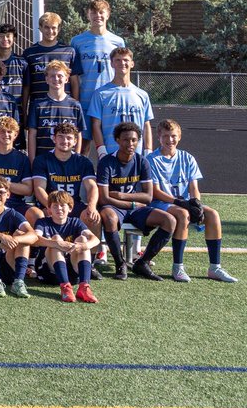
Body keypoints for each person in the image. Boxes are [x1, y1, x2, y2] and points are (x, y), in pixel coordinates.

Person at [146, 119, 237, 283]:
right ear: (158, 137)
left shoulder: (187, 158)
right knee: (182, 214)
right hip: (161, 204)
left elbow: (194, 187)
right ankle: (178, 267)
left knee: (213, 214)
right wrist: (180, 202)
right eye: (165, 136)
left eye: (173, 136)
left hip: (184, 203)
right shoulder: (152, 159)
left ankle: (215, 267)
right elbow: (156, 192)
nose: (169, 140)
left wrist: (196, 204)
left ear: (179, 137)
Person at [95, 121, 177, 281]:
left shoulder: (142, 162)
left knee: (169, 220)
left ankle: (143, 262)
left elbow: (148, 196)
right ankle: (120, 263)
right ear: (117, 140)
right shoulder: (106, 162)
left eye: (134, 140)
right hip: (114, 208)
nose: (130, 143)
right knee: (110, 218)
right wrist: (132, 203)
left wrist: (121, 196)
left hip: (132, 207)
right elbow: (104, 198)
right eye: (126, 140)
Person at [34, 190, 101, 303]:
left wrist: (84, 246)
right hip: (49, 271)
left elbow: (95, 239)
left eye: (62, 205)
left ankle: (84, 287)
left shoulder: (75, 222)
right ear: (49, 210)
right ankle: (65, 287)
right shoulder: (42, 222)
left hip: (72, 273)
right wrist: (56, 243)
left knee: (83, 240)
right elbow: (35, 240)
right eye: (55, 206)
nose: (59, 209)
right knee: (56, 239)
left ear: (70, 208)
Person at [88, 46, 154, 157]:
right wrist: (101, 151)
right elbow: (95, 125)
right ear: (112, 64)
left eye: (126, 60)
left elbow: (146, 125)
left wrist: (148, 152)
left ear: (132, 64)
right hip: (110, 155)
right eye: (118, 60)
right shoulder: (100, 94)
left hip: (136, 156)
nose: (122, 63)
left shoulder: (142, 95)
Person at [70, 0, 126, 117]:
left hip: (110, 99)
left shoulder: (118, 42)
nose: (97, 15)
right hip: (85, 100)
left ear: (108, 15)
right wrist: (75, 100)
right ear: (88, 15)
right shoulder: (77, 41)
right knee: (85, 136)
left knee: (109, 135)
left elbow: (123, 71)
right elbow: (73, 75)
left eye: (101, 12)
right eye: (94, 12)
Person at [21, 12, 82, 117]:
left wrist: (75, 106)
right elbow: (26, 86)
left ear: (59, 29)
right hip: (38, 108)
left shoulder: (69, 51)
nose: (50, 31)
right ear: (40, 28)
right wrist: (24, 113)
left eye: (54, 28)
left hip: (64, 107)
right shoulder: (29, 53)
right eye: (46, 27)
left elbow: (74, 82)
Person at [27, 60, 86, 160]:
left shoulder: (75, 105)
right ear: (46, 79)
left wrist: (76, 159)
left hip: (68, 161)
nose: (56, 79)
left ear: (67, 79)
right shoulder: (38, 105)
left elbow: (78, 135)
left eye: (60, 76)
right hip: (43, 161)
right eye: (52, 76)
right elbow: (32, 135)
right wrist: (32, 161)